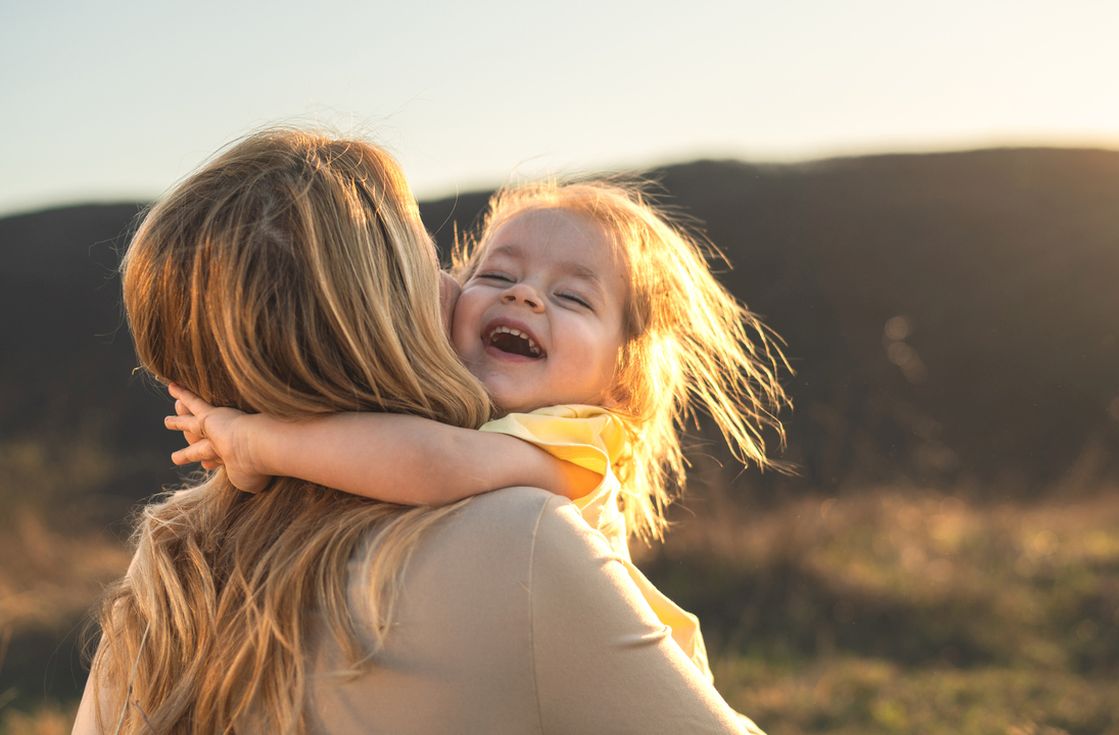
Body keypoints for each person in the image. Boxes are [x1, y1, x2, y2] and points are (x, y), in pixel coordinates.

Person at [73, 129, 759, 734]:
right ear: (374, 307)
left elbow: (435, 460)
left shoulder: (171, 555)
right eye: (483, 271)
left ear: (621, 375)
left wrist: (253, 440)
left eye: (573, 296)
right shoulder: (520, 540)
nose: (516, 296)